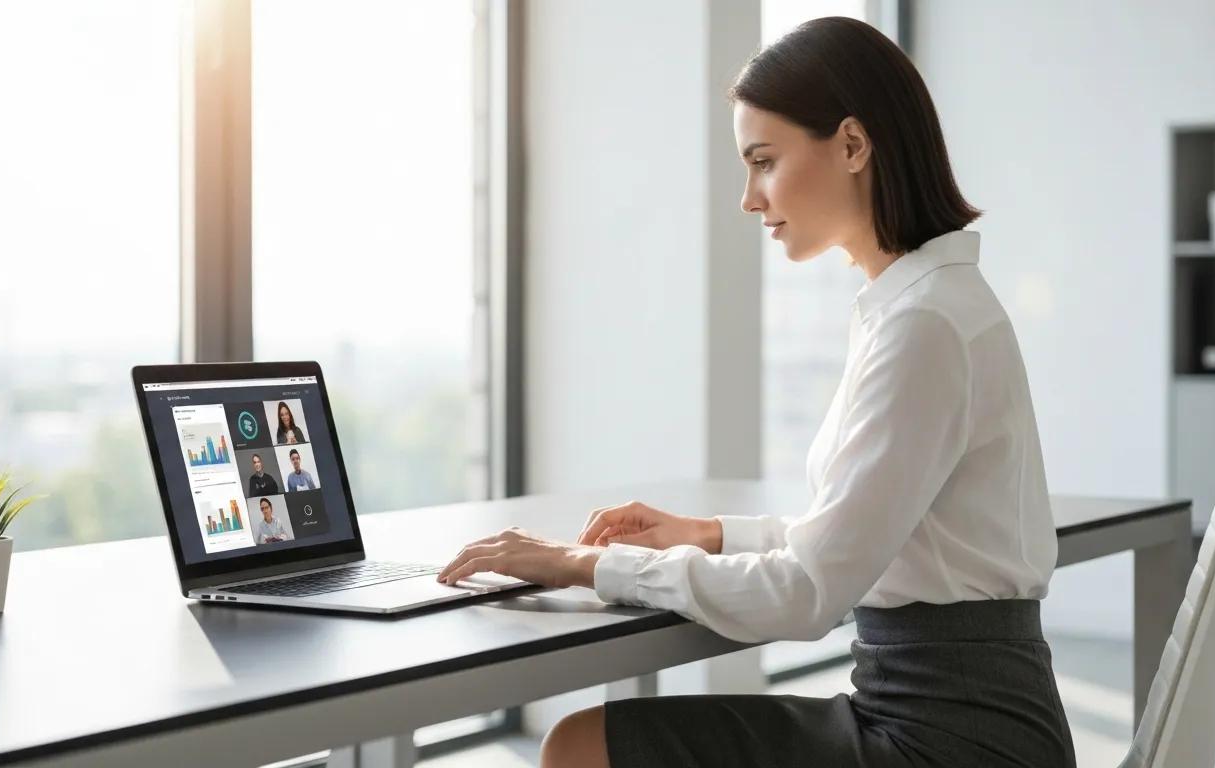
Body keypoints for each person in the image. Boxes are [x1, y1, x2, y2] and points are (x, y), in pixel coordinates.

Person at [435, 17, 1074, 768]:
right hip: (957, 717)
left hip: (956, 742)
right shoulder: (924, 307)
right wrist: (707, 533)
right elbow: (851, 537)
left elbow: (805, 592)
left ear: (853, 145)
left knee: (582, 746)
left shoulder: (924, 325)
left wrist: (581, 564)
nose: (748, 197)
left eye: (764, 162)